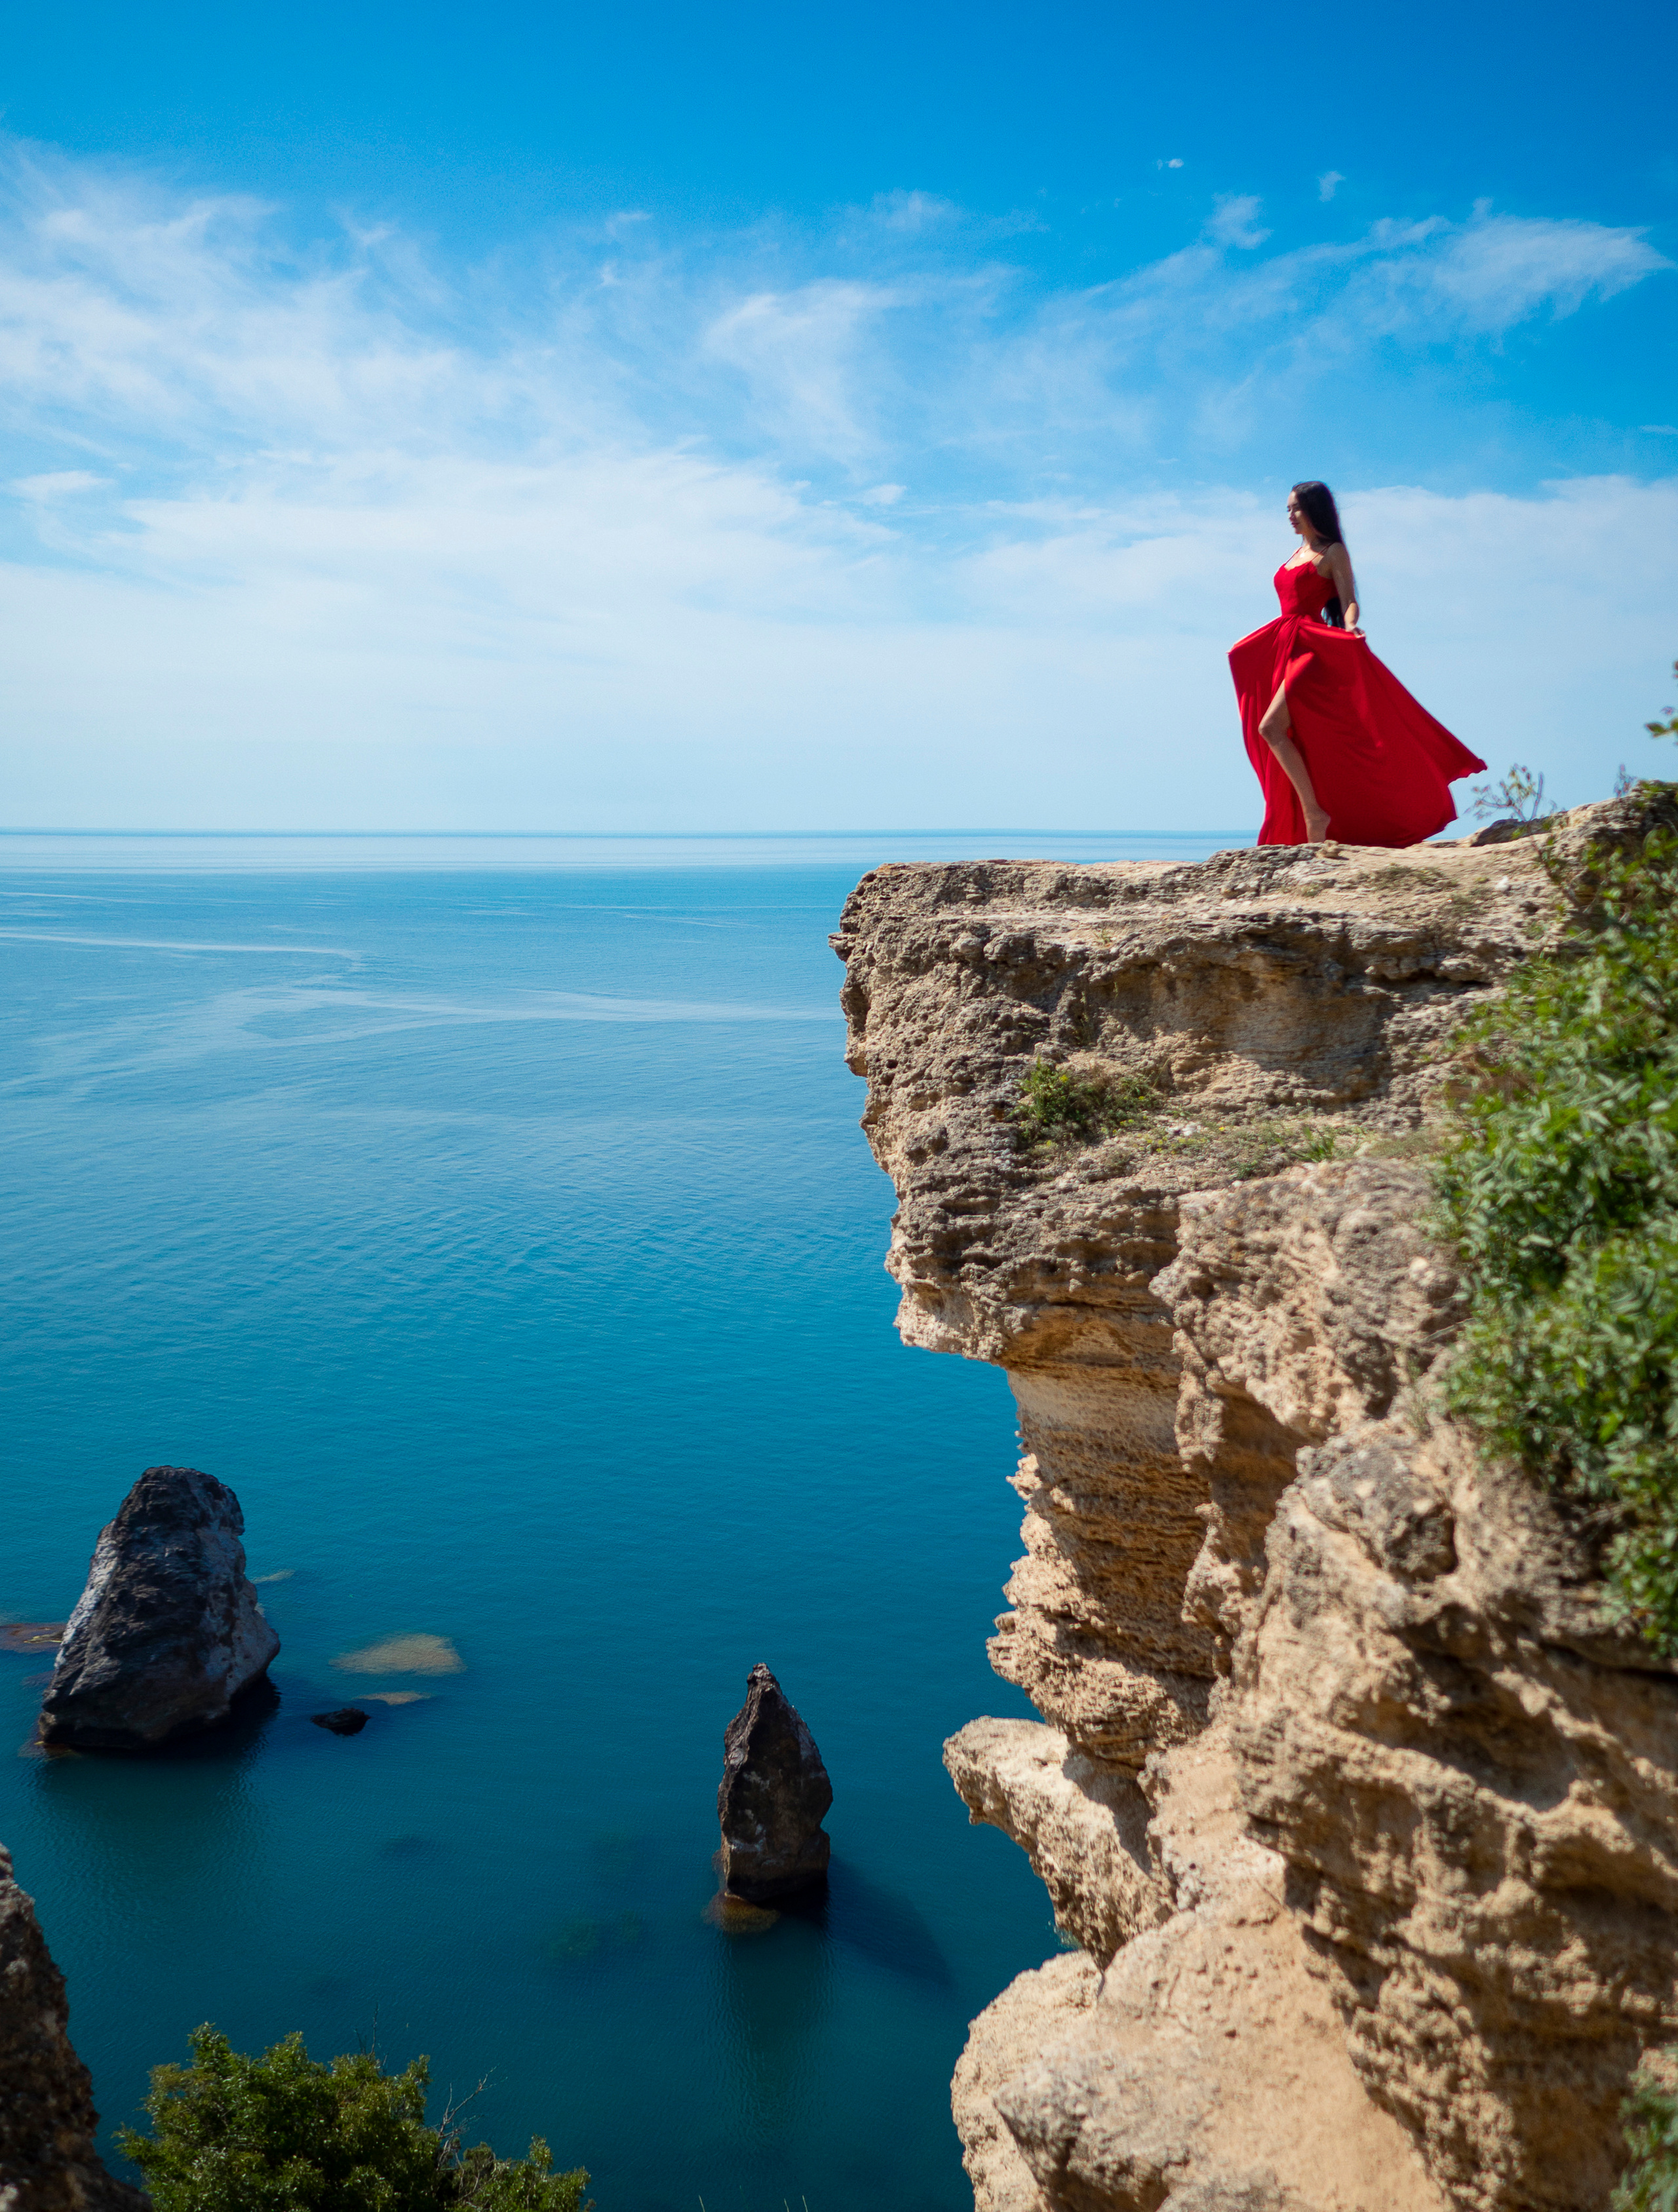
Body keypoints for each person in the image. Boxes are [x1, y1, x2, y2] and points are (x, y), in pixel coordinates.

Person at [1228, 482, 1485, 845]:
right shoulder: (1293, 555)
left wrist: (1350, 626)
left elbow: (1349, 600)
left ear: (1314, 510)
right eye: (1287, 509)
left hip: (1312, 649)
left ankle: (1315, 813)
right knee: (1293, 735)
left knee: (1271, 727)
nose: (1289, 516)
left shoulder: (1333, 552)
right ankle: (1314, 812)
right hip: (1283, 644)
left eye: (1295, 509)